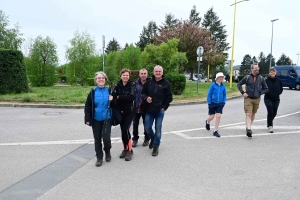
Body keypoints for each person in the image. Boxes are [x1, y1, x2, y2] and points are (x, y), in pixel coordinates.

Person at [142, 65, 173, 156]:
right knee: (147, 127)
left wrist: (164, 107)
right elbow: (143, 93)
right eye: (156, 71)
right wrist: (146, 98)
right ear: (153, 72)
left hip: (160, 110)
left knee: (158, 128)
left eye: (159, 71)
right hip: (149, 109)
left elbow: (169, 97)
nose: (158, 73)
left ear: (162, 73)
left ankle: (156, 146)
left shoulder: (166, 83)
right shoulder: (149, 82)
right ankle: (153, 138)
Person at [84, 71, 113, 167]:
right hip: (96, 119)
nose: (101, 79)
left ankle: (107, 151)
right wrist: (87, 118)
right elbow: (88, 106)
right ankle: (99, 157)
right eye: (99, 78)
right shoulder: (92, 92)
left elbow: (115, 105)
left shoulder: (109, 91)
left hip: (106, 119)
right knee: (97, 139)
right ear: (96, 81)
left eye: (103, 78)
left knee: (106, 138)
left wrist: (113, 100)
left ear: (105, 80)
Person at [237, 64, 268, 137]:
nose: (257, 69)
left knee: (253, 114)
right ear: (252, 69)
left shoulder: (261, 78)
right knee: (248, 114)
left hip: (257, 99)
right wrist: (243, 93)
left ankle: (248, 126)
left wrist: (260, 93)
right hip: (248, 98)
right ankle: (249, 129)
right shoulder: (247, 77)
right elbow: (239, 84)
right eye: (255, 68)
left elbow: (266, 88)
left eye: (258, 68)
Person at [112, 69, 136, 161]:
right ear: (120, 76)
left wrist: (119, 97)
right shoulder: (118, 86)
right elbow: (114, 97)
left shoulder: (132, 85)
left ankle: (130, 150)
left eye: (127, 75)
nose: (125, 76)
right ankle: (125, 149)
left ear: (129, 76)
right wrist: (114, 98)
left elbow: (132, 97)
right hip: (120, 112)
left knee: (126, 130)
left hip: (129, 112)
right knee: (123, 131)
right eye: (124, 75)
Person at [132, 68, 150, 147]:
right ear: (139, 75)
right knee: (135, 124)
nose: (143, 75)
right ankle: (135, 139)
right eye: (141, 74)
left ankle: (146, 139)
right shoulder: (135, 84)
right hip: (136, 108)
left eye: (144, 74)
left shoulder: (150, 83)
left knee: (146, 124)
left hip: (146, 108)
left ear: (147, 75)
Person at [205, 72, 226, 137]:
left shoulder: (223, 86)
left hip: (220, 104)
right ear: (217, 78)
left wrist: (223, 101)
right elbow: (209, 94)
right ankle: (207, 121)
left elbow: (224, 94)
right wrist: (209, 102)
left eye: (222, 77)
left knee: (218, 116)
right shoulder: (213, 85)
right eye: (220, 77)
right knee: (211, 117)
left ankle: (215, 130)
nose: (221, 78)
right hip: (212, 103)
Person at [264, 67, 283, 133]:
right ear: (269, 73)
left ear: (275, 73)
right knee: (270, 111)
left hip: (276, 99)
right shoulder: (266, 81)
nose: (272, 73)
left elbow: (281, 89)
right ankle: (270, 126)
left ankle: (269, 121)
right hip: (268, 98)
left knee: (274, 112)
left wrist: (278, 93)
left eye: (273, 72)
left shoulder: (279, 81)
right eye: (271, 72)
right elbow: (263, 88)